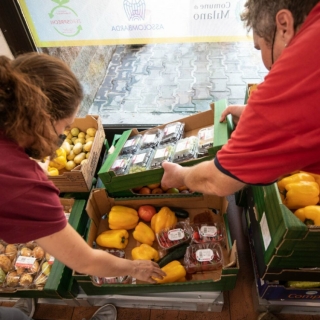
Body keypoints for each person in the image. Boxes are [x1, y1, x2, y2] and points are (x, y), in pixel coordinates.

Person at [0, 52, 165, 319]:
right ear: (42, 117)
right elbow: (85, 261)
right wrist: (135, 268)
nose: (61, 137)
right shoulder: (23, 182)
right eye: (63, 127)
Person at [162, 0, 320, 196]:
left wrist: (180, 175)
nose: (264, 63)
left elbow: (216, 180)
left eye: (260, 47)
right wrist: (258, 118)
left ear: (284, 26)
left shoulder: (298, 69)